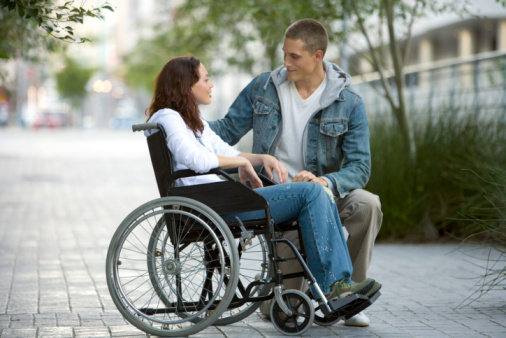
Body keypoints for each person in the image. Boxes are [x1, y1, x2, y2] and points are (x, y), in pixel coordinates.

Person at [144, 56, 381, 311]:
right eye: (205, 79)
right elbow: (195, 159)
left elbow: (229, 152)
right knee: (312, 192)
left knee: (319, 191)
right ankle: (333, 285)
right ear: (186, 85)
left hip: (220, 200)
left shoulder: (190, 120)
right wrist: (244, 165)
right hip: (213, 204)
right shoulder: (168, 117)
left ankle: (334, 285)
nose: (211, 84)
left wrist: (260, 158)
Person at [208, 19, 382, 327]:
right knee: (284, 310)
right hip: (277, 197)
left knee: (367, 203)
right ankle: (295, 291)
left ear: (317, 56)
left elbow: (360, 167)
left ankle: (348, 299)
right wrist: (180, 121)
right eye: (284, 55)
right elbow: (224, 132)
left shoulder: (349, 103)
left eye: (294, 57)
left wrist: (326, 181)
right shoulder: (263, 88)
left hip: (323, 195)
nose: (286, 63)